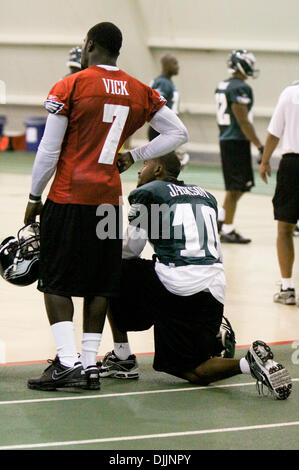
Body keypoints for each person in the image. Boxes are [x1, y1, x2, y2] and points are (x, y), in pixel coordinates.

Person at [23, 22, 188, 392]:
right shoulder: (139, 89)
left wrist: (35, 197)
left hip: (69, 196)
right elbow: (179, 132)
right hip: (109, 201)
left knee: (55, 279)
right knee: (100, 284)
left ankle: (66, 363)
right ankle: (89, 365)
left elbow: (49, 151)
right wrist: (136, 155)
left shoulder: (73, 85)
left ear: (92, 44)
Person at [98, 152, 292, 400]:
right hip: (214, 290)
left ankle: (122, 358)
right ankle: (246, 362)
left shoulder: (150, 193)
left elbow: (130, 250)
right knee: (196, 368)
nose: (139, 171)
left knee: (108, 267)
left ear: (158, 170)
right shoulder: (205, 196)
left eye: (144, 165)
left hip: (178, 287)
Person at [215, 50, 264, 243]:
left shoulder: (223, 85)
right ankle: (227, 228)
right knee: (236, 187)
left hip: (227, 139)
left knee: (238, 186)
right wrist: (260, 146)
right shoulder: (240, 88)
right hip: (236, 140)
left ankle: (221, 216)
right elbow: (243, 121)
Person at [259, 81, 299, 306]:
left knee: (285, 227)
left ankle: (287, 287)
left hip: (292, 165)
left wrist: (265, 161)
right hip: (292, 165)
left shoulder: (290, 92)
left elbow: (274, 132)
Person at [148, 53, 190, 169]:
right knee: (162, 165)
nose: (178, 67)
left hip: (165, 127)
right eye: (175, 63)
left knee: (164, 164)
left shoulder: (167, 82)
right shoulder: (163, 83)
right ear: (166, 65)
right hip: (161, 128)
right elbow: (156, 105)